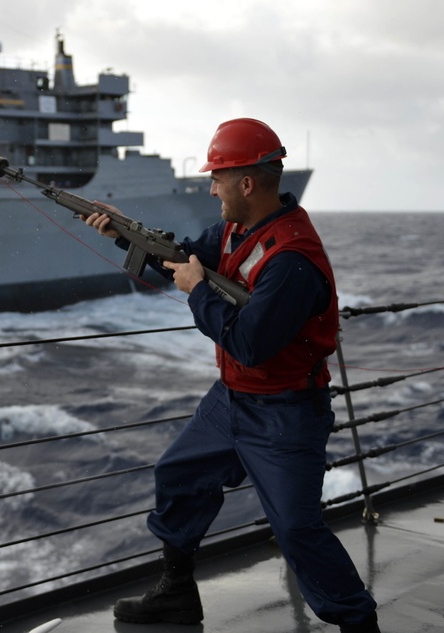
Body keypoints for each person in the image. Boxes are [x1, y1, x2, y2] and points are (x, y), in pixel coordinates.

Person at [83, 118, 380, 632]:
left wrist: (199, 291)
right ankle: (177, 593)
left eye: (217, 178)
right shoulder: (235, 230)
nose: (211, 186)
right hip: (233, 399)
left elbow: (248, 343)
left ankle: (359, 624)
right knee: (177, 476)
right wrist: (123, 230)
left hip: (285, 415)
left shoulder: (291, 260)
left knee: (297, 530)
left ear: (246, 183)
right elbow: (181, 259)